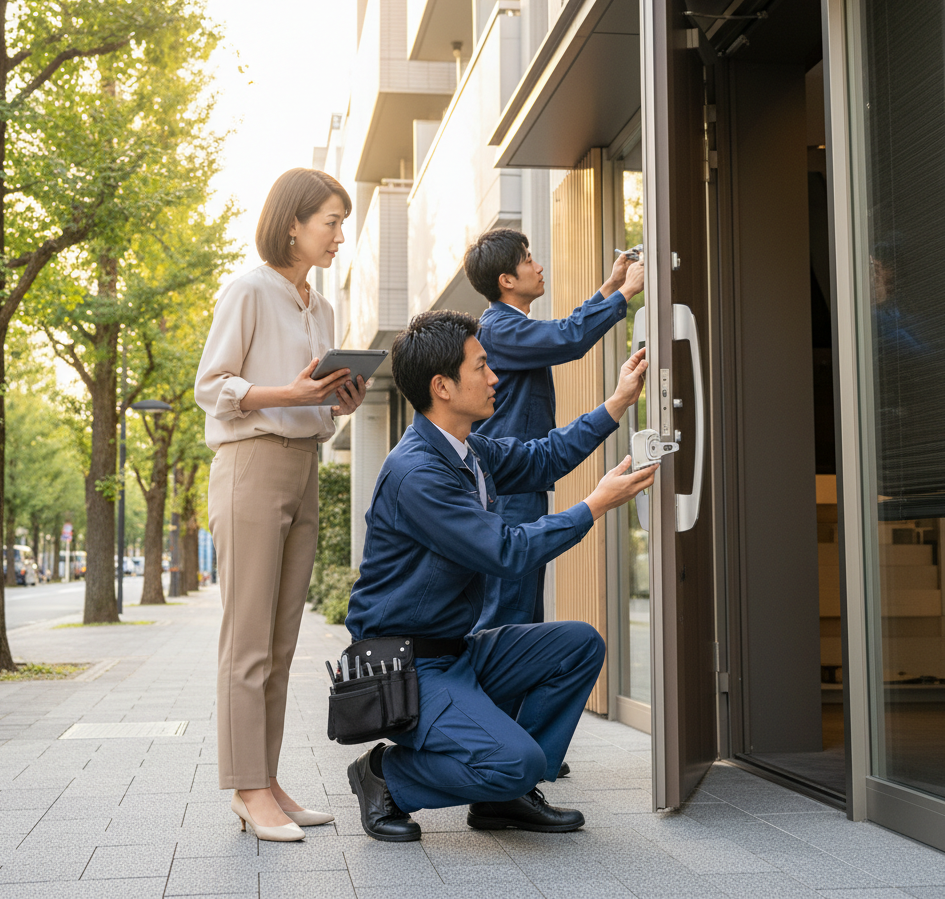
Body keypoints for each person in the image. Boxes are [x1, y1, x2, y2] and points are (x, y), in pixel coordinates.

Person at [344, 310, 655, 842]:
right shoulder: (418, 473)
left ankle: (502, 798)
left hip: (454, 652)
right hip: (407, 667)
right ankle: (386, 776)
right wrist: (594, 506)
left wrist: (619, 402)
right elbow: (506, 550)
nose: (495, 378)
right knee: (517, 760)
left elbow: (543, 458)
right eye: (482, 367)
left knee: (577, 645)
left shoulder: (466, 449)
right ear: (443, 387)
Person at [195, 168, 368, 842]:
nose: (339, 236)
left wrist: (333, 403)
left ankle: (264, 782)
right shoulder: (248, 289)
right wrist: (289, 395)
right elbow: (212, 387)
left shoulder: (320, 309)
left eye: (341, 223)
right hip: (250, 465)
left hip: (302, 467)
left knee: (282, 643)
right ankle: (245, 789)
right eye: (330, 221)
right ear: (292, 223)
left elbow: (312, 404)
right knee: (247, 643)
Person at [463, 228, 644, 636]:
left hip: (518, 482)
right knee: (508, 616)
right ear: (506, 280)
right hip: (508, 490)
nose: (538, 266)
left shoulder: (510, 328)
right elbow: (567, 337)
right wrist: (624, 294)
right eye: (528, 259)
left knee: (522, 612)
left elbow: (560, 334)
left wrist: (610, 286)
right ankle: (490, 699)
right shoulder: (497, 330)